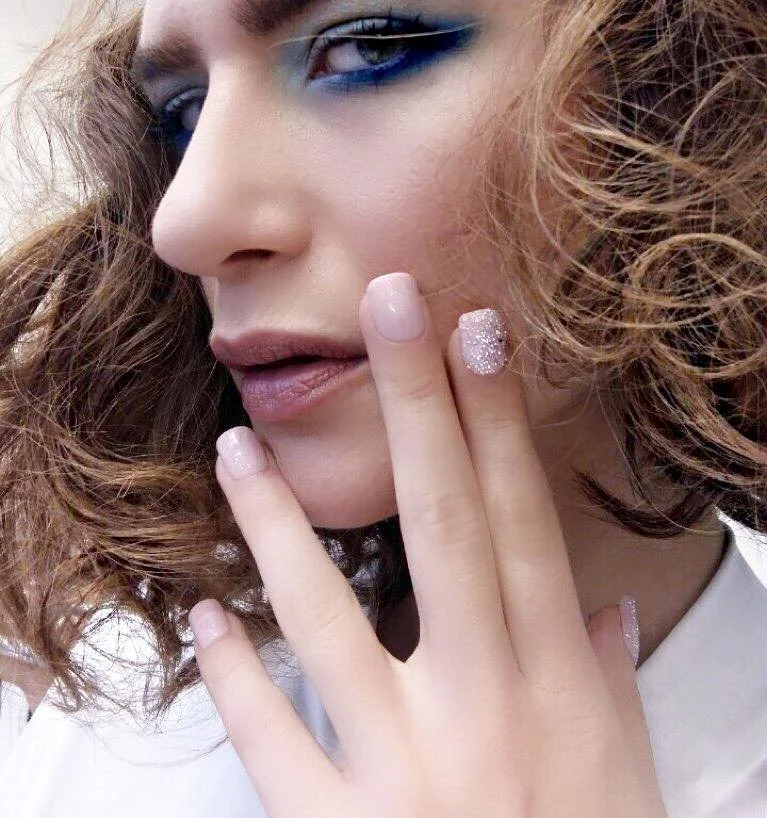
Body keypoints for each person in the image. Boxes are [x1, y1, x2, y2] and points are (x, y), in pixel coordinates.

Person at [0, 0, 765, 815]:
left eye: (366, 48)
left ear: (683, 97)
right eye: (182, 112)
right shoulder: (121, 697)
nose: (185, 220)